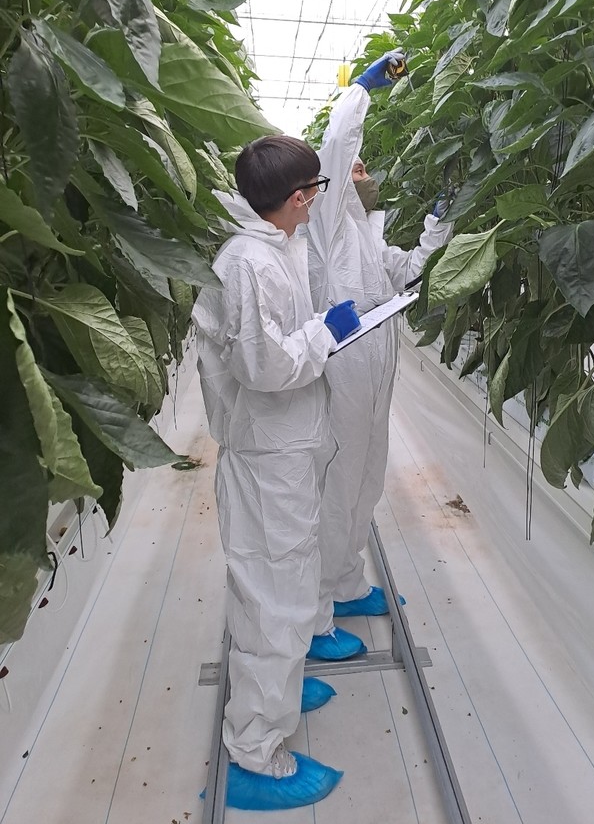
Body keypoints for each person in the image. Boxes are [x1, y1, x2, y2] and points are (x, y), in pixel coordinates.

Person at [192, 135, 363, 812]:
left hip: (284, 446)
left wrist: (319, 324)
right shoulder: (248, 264)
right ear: (297, 198)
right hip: (268, 455)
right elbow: (264, 367)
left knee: (285, 580)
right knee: (275, 598)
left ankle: (279, 691)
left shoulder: (272, 246)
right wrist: (326, 333)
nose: (318, 200)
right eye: (316, 190)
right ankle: (255, 753)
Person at [307, 50, 454, 637]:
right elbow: (337, 145)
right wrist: (363, 88)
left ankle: (345, 583)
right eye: (356, 169)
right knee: (338, 482)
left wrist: (439, 224)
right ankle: (316, 610)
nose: (363, 172)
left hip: (375, 372)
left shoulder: (367, 235)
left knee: (366, 476)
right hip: (343, 369)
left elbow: (409, 270)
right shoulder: (326, 226)